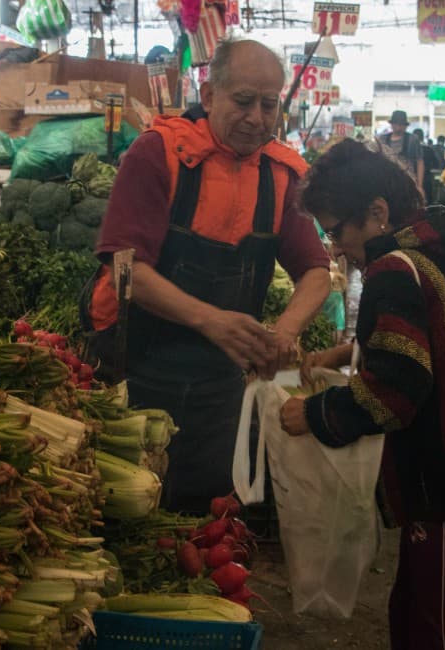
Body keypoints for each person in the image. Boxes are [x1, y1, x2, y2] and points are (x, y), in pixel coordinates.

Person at [279, 139, 445, 650]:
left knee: (436, 631)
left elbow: (395, 393)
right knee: (411, 612)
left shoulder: (394, 269)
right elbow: (430, 339)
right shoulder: (439, 247)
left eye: (337, 232)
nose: (335, 248)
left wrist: (316, 413)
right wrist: (348, 353)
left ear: (376, 213)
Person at [94, 38, 331, 514]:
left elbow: (317, 272)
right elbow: (126, 269)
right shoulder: (158, 154)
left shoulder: (281, 174)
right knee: (126, 504)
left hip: (219, 375)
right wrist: (211, 320)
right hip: (132, 360)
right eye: (243, 101)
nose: (257, 118)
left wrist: (284, 333)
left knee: (207, 506)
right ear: (209, 95)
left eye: (269, 105)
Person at [379, 110, 423, 195]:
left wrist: (419, 186)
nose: (399, 127)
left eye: (401, 124)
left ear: (405, 126)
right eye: (396, 124)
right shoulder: (382, 139)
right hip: (387, 182)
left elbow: (419, 162)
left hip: (408, 182)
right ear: (392, 124)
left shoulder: (413, 139)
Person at [412, 127, 440, 204]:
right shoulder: (428, 149)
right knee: (428, 200)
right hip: (426, 178)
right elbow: (436, 164)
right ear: (423, 137)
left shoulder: (410, 150)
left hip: (411, 177)